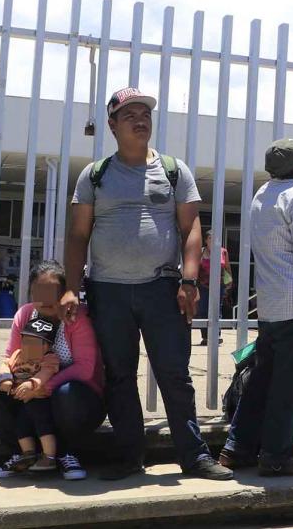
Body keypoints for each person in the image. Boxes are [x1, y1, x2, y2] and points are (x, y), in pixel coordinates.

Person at [63, 87, 231, 481]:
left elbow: (191, 227)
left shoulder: (174, 170)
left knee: (175, 374)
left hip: (162, 288)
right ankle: (129, 457)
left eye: (145, 114)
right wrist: (72, 287)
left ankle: (194, 457)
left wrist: (190, 280)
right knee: (120, 376)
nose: (140, 120)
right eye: (129, 115)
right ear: (112, 125)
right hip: (109, 290)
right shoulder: (95, 175)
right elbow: (77, 235)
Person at [220, 136, 293, 476]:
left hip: (269, 307)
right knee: (289, 386)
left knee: (261, 381)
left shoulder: (262, 196)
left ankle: (236, 447)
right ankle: (275, 455)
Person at [0, 260, 105, 481]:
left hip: (74, 400)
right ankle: (25, 452)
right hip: (31, 399)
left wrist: (43, 386)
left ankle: (64, 452)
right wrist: (9, 381)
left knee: (66, 393)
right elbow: (12, 357)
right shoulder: (25, 314)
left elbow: (85, 368)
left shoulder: (77, 317)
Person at [196, 229, 231, 346]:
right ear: (206, 240)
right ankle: (205, 337)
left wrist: (229, 282)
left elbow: (227, 268)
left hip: (218, 285)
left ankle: (216, 336)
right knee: (203, 310)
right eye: (210, 238)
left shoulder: (223, 252)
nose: (213, 240)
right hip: (203, 285)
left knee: (217, 310)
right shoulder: (200, 252)